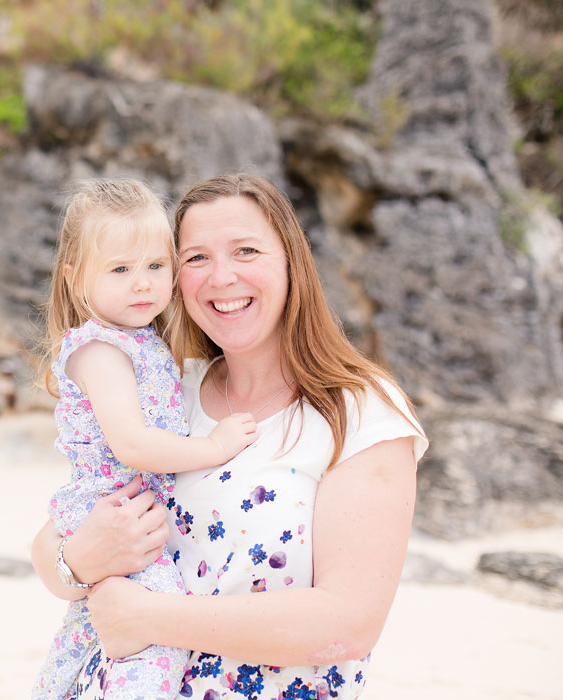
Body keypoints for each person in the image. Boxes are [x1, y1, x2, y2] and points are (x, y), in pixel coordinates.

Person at [31, 173, 428, 700]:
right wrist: (82, 559)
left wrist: (155, 618)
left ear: (291, 261)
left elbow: (348, 624)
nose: (222, 277)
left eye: (246, 251)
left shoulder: (359, 413)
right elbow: (50, 549)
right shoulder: (171, 393)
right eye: (195, 258)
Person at [33, 179, 259, 700]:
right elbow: (132, 445)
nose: (142, 285)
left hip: (134, 510)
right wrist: (215, 447)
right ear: (75, 279)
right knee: (153, 642)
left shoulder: (144, 343)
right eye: (120, 269)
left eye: (156, 267)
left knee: (95, 637)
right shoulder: (100, 350)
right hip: (116, 508)